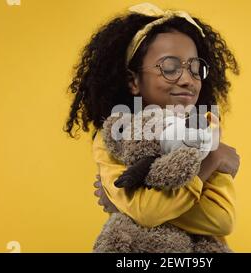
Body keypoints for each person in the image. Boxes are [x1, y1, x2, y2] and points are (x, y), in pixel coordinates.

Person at [64, 2, 241, 249]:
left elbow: (221, 219)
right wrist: (211, 161)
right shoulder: (116, 137)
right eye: (170, 67)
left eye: (195, 68)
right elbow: (147, 213)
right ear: (133, 80)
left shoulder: (205, 129)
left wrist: (127, 206)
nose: (188, 80)